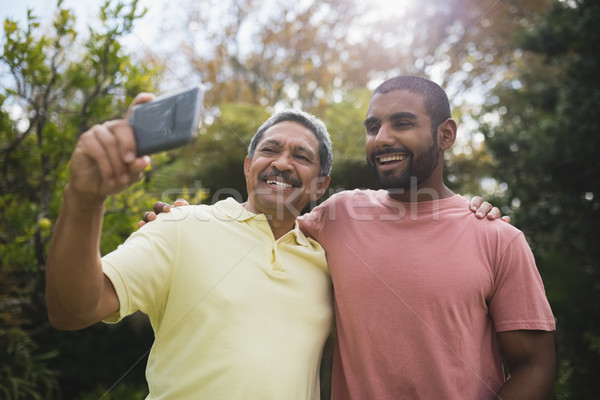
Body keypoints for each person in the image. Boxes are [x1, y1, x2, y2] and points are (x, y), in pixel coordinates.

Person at [146, 76, 556, 399]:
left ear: (445, 135)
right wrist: (187, 219)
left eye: (402, 123)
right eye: (373, 126)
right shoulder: (339, 215)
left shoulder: (498, 238)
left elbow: (535, 366)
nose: (382, 138)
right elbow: (259, 226)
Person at [45, 101, 337, 399]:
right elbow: (72, 311)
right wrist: (85, 198)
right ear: (249, 167)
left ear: (319, 186)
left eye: (301, 156)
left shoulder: (330, 266)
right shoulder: (180, 226)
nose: (282, 163)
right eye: (270, 150)